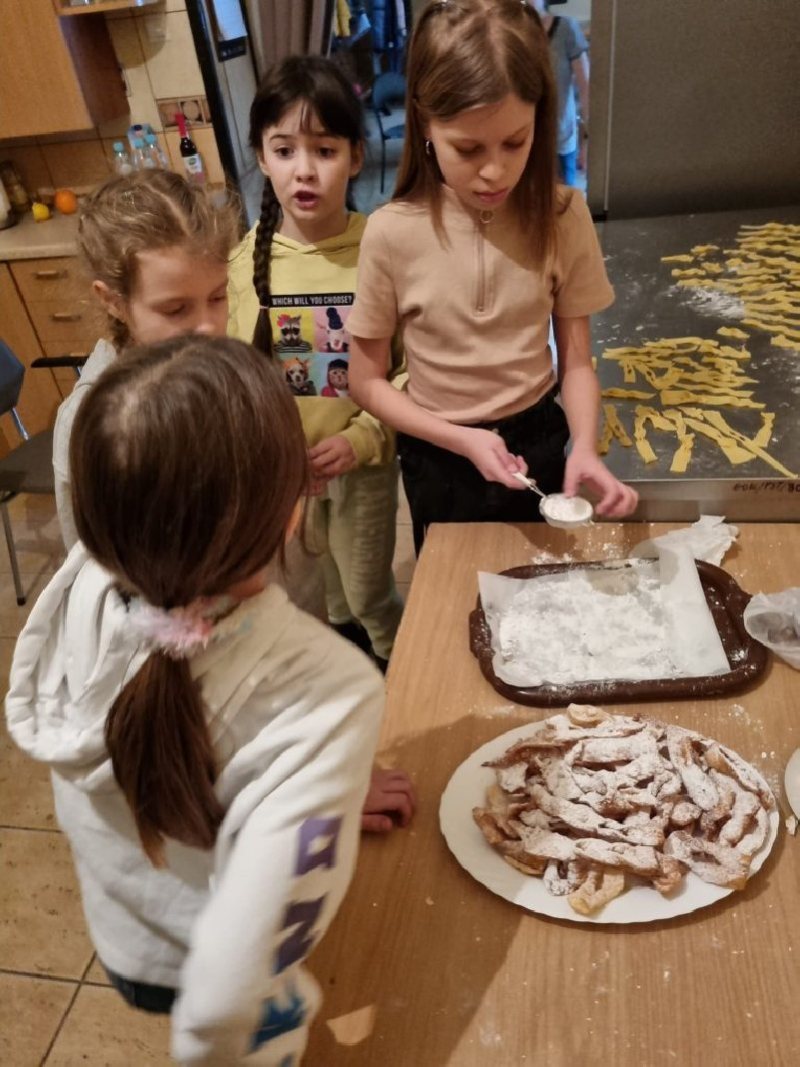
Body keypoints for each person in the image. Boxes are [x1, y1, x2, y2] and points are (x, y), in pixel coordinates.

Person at [6, 336, 389, 1064]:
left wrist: (313, 781)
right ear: (291, 512)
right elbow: (230, 996)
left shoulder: (83, 582)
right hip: (217, 980)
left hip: (129, 931)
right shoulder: (330, 692)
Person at [347, 0, 638, 551]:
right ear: (425, 124)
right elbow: (365, 382)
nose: (494, 171)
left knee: (546, 584)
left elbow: (577, 361)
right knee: (455, 592)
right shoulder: (391, 232)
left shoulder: (562, 216)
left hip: (539, 439)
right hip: (439, 450)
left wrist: (584, 445)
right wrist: (461, 439)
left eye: (515, 142)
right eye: (468, 148)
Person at [227, 55, 404, 671]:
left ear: (356, 157)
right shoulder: (243, 263)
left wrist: (363, 438)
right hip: (288, 476)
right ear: (261, 156)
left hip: (363, 466)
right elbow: (236, 378)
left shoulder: (381, 249)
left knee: (368, 595)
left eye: (324, 151)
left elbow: (414, 371)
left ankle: (404, 684)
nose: (303, 170)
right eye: (284, 150)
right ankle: (354, 683)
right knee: (327, 597)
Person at [53, 169, 238, 550]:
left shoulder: (206, 362)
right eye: (175, 309)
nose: (208, 326)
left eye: (218, 297)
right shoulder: (92, 419)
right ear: (113, 301)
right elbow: (98, 557)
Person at [528, 0, 590, 186]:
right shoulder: (509, 32)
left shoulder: (565, 28)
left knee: (563, 200)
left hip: (560, 142)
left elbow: (586, 87)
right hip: (521, 141)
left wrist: (587, 141)